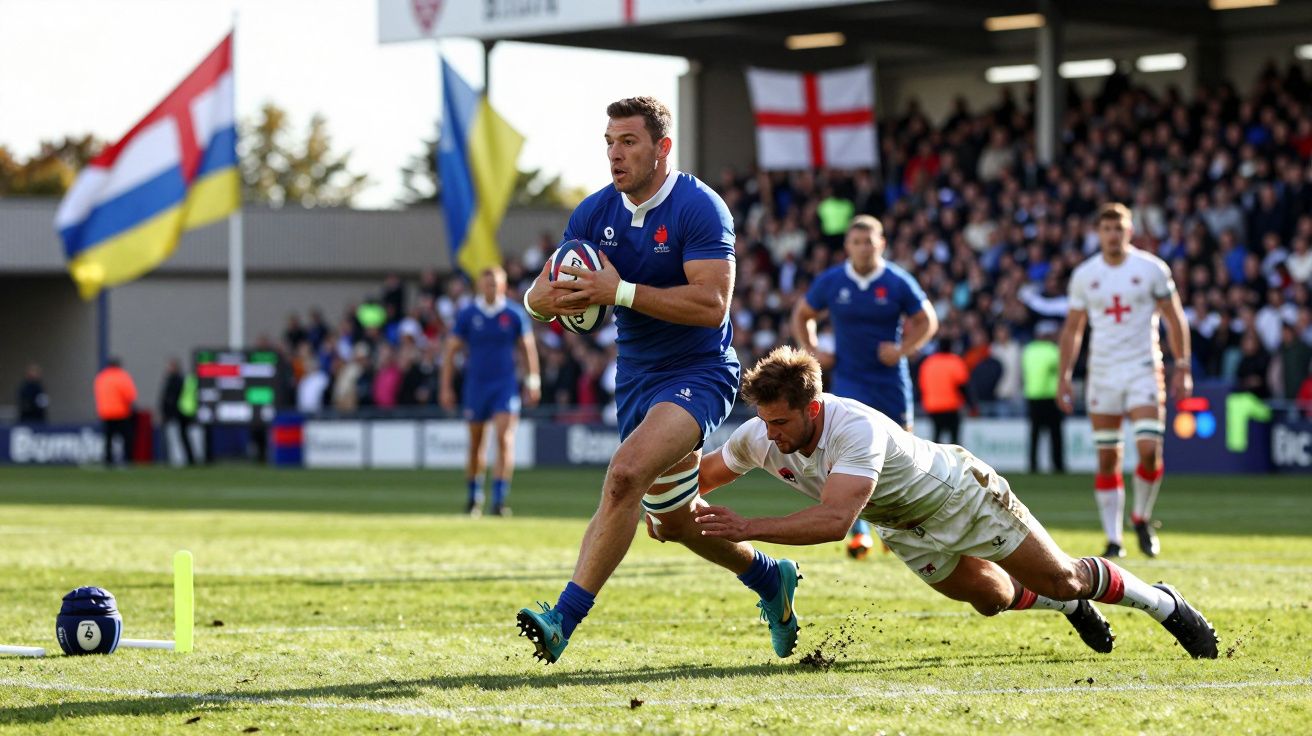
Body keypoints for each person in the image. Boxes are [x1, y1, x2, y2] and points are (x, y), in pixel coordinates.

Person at [686, 346, 1218, 660]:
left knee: (1063, 576)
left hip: (959, 496)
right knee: (990, 599)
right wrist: (660, 503)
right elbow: (703, 475)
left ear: (813, 407)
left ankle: (1164, 604)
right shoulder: (759, 434)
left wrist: (746, 526)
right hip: (902, 526)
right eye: (764, 420)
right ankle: (1069, 609)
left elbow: (834, 520)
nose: (771, 434)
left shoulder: (855, 430)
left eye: (781, 421)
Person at [514, 97, 798, 665]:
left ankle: (561, 619)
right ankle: (770, 578)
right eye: (610, 143)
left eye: (629, 142)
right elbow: (547, 295)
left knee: (623, 476)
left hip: (700, 373)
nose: (616, 154)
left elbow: (713, 304)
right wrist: (535, 300)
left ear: (662, 148)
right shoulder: (593, 214)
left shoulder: (701, 208)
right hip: (637, 380)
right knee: (674, 524)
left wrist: (617, 292)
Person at [792, 214, 938, 558]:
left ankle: (897, 528)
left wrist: (904, 349)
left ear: (881, 244)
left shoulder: (897, 281)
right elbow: (802, 314)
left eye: (868, 241)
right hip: (850, 379)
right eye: (856, 242)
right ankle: (860, 532)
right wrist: (812, 350)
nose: (862, 248)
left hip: (890, 381)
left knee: (903, 454)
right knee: (846, 452)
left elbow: (927, 320)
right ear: (847, 246)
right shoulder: (832, 281)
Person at [1058, 203, 1191, 559]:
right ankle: (1114, 540)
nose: (1113, 235)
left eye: (1119, 228)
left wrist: (1183, 365)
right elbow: (1073, 329)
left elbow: (1174, 318)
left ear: (1129, 231)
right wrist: (1065, 376)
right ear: (1098, 233)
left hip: (1143, 368)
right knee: (1106, 459)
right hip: (1102, 373)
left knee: (1149, 451)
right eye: (1107, 229)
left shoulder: (1150, 269)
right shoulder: (1086, 275)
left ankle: (1141, 516)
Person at [441, 266, 541, 517]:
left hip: (504, 385)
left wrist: (533, 381)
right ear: (479, 286)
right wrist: (445, 386)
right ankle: (474, 497)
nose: (492, 288)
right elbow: (451, 351)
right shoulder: (467, 314)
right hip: (476, 385)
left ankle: (498, 500)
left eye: (496, 283)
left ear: (504, 286)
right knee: (476, 443)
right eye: (487, 283)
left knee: (504, 439)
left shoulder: (514, 314)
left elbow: (527, 348)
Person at [1024, 321, 1065, 474]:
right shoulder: (1053, 350)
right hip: (1050, 397)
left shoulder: (1028, 350)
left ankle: (1033, 466)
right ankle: (1058, 466)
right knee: (1056, 435)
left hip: (1032, 396)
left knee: (1034, 435)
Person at [919, 342, 970, 445]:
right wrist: (970, 403)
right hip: (951, 407)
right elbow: (962, 385)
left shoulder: (928, 363)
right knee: (954, 440)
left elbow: (922, 384)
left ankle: (935, 460)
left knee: (936, 438)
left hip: (933, 407)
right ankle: (955, 461)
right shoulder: (954, 361)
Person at [94, 357, 137, 467]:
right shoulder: (122, 377)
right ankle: (128, 460)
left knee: (108, 439)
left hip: (106, 413)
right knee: (127, 437)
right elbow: (130, 395)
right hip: (121, 412)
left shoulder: (102, 377)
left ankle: (108, 460)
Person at [158, 358, 195, 466]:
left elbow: (173, 398)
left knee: (180, 436)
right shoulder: (173, 379)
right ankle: (172, 459)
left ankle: (186, 459)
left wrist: (170, 412)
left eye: (170, 366)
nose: (168, 368)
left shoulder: (177, 380)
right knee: (178, 437)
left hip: (177, 413)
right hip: (174, 413)